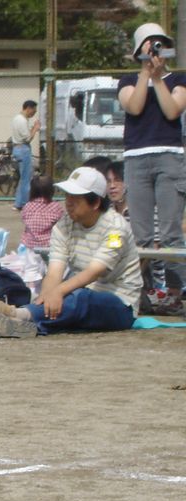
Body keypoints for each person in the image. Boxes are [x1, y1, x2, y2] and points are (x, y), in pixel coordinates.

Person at [0, 166, 141, 337]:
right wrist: (46, 295)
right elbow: (55, 271)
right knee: (69, 297)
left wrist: (58, 292)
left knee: (80, 298)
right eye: (67, 196)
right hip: (78, 293)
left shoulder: (115, 228)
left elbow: (94, 272)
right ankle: (21, 323)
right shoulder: (64, 225)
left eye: (76, 198)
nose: (68, 202)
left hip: (120, 304)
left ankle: (19, 315)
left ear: (95, 203)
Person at [118, 22, 186, 314]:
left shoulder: (177, 79)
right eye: (149, 43)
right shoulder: (128, 80)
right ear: (138, 50)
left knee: (171, 232)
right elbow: (133, 107)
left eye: (159, 43)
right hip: (136, 157)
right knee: (141, 233)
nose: (155, 47)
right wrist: (146, 73)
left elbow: (172, 110)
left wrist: (158, 79)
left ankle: (175, 293)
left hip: (169, 156)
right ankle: (141, 292)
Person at [9, 100, 40, 210]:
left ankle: (19, 203)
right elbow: (28, 138)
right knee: (26, 178)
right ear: (28, 108)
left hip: (17, 148)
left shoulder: (16, 118)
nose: (34, 113)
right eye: (34, 110)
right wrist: (35, 129)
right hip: (23, 149)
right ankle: (25, 204)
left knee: (23, 178)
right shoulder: (22, 120)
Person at [19, 175, 64, 250]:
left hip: (28, 246)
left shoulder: (27, 206)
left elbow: (23, 218)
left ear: (32, 190)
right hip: (48, 246)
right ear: (51, 191)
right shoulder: (56, 207)